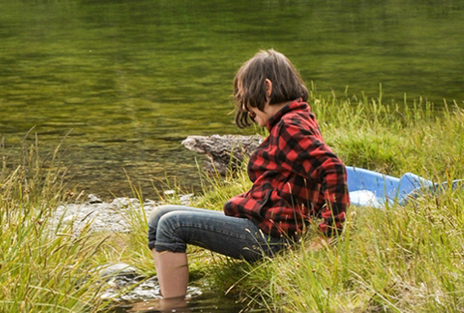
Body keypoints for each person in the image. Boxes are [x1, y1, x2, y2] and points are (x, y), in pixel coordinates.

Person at [147, 49, 349, 301]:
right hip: (265, 223)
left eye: (247, 98)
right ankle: (167, 292)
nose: (245, 107)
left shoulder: (290, 126)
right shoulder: (293, 119)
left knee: (171, 225)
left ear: (266, 88)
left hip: (273, 238)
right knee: (159, 215)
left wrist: (327, 233)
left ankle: (172, 305)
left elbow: (333, 168)